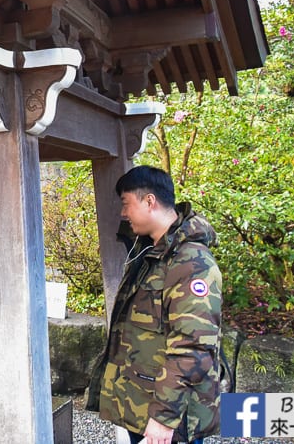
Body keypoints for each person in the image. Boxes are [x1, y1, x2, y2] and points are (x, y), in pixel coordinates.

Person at [86, 165, 222, 444]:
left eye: (126, 204)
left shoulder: (190, 262)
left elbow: (193, 346)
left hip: (169, 414)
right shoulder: (150, 252)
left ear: (149, 201)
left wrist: (163, 417)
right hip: (142, 402)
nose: (123, 214)